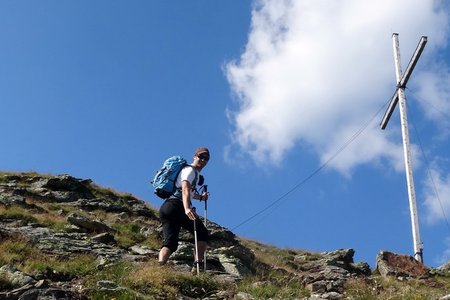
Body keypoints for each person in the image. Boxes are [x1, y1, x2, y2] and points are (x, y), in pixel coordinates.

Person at [158, 147, 210, 266]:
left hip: (167, 207)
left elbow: (186, 191)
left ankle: (160, 266)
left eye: (206, 158)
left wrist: (200, 197)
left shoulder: (191, 172)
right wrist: (187, 208)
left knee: (170, 243)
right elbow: (185, 189)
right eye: (201, 157)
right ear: (194, 156)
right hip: (178, 206)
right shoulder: (190, 171)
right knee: (202, 232)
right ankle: (199, 264)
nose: (203, 160)